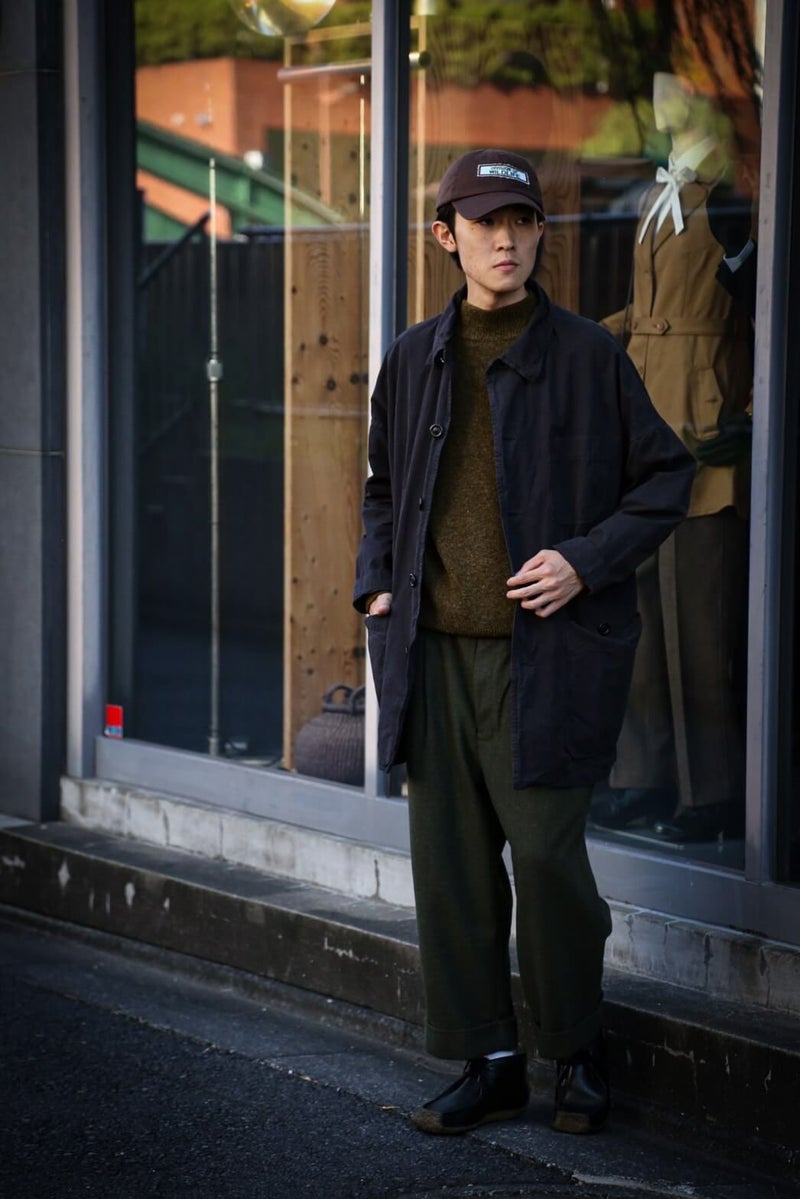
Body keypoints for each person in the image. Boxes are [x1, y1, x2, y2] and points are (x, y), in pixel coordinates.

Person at [353, 148, 695, 1136]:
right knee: (451, 871)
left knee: (547, 862)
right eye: (484, 222)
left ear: (541, 233)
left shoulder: (588, 356)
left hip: (544, 658)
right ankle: (490, 1060)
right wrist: (377, 583)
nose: (504, 240)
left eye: (521, 222)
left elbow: (664, 480)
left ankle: (574, 1050)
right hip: (432, 655)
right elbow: (381, 487)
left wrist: (584, 560)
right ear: (444, 235)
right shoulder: (412, 357)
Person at [592, 74, 756, 843]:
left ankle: (712, 791)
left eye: (674, 84)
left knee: (699, 617)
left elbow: (762, 306)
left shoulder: (733, 191)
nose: (660, 98)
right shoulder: (660, 191)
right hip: (647, 421)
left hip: (703, 416)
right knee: (643, 613)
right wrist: (583, 337)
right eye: (654, 86)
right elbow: (646, 310)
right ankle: (643, 775)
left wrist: (749, 412)